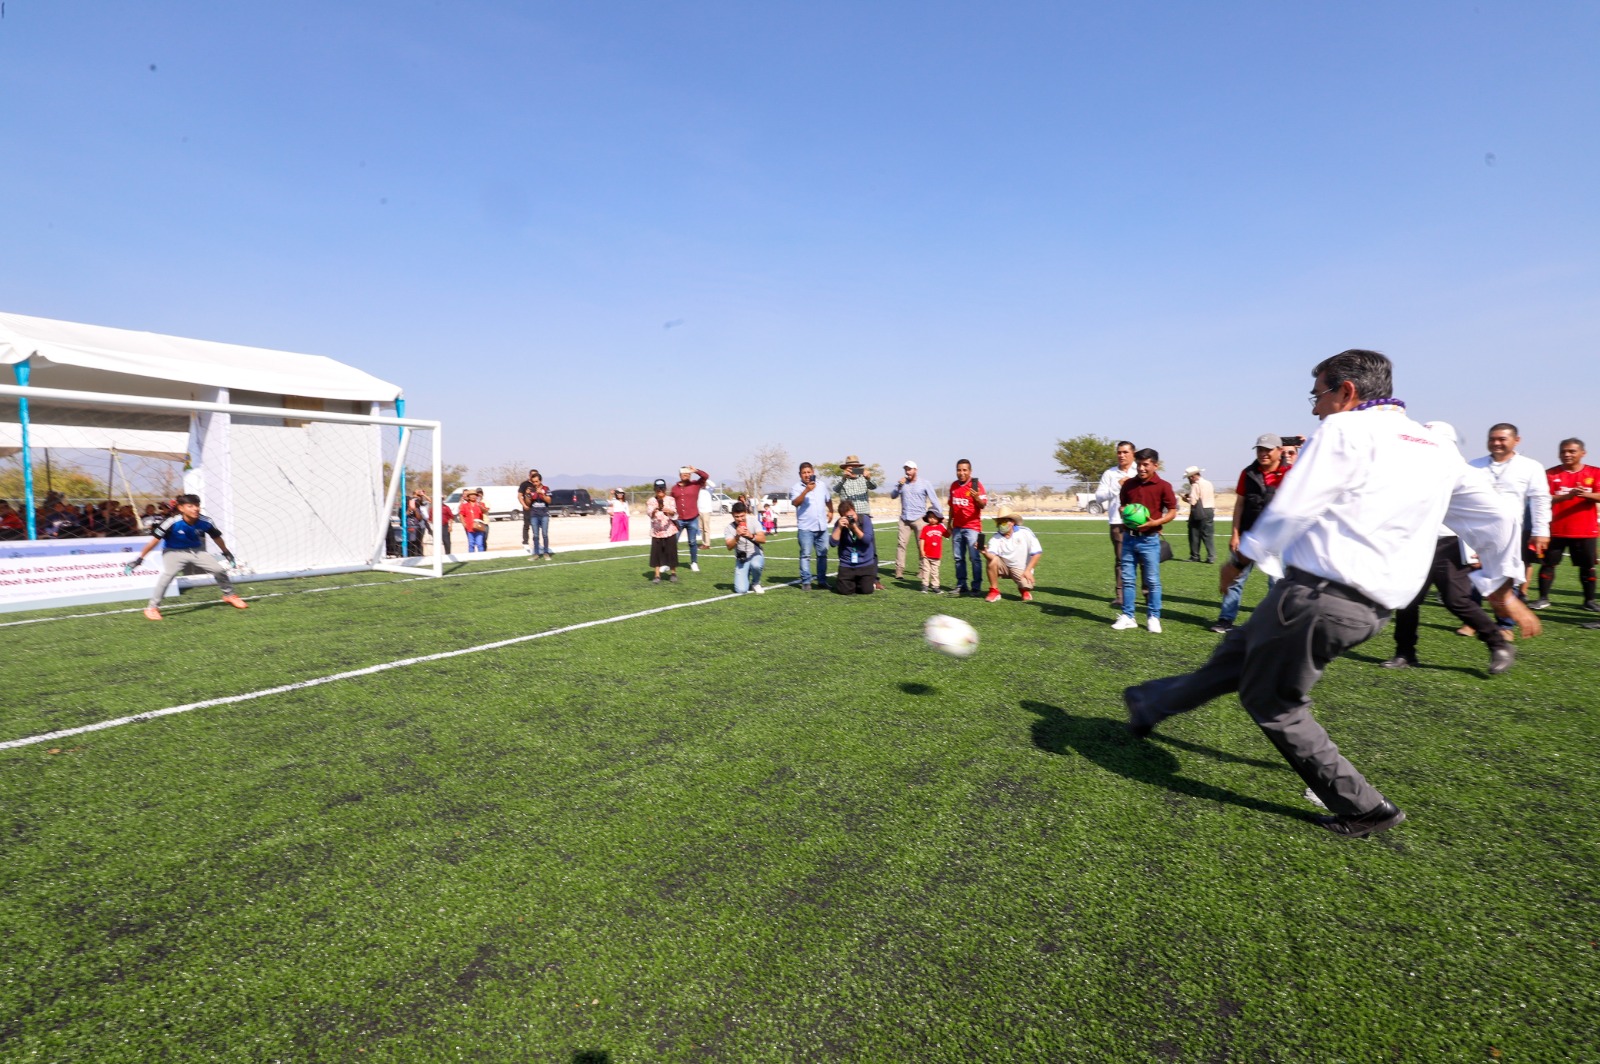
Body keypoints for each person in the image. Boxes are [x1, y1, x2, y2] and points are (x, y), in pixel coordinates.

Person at [1124, 348, 1540, 839]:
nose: (1314, 408)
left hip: (1318, 597)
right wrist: (1499, 584)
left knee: (1274, 703)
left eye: (1317, 394)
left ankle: (1363, 807)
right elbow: (1497, 517)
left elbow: (1294, 507)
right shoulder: (1435, 446)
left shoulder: (1344, 430)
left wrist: (1240, 559)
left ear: (1347, 391)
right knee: (1234, 656)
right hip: (1367, 608)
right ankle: (1150, 705)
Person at [1380, 422, 1514, 674]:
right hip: (1418, 542)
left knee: (1456, 600)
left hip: (1450, 543)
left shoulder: (1466, 472)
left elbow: (1483, 515)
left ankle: (1498, 644)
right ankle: (1405, 653)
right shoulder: (1412, 471)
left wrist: (1475, 550)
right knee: (1407, 600)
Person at [1464, 424, 1550, 635]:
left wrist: (1541, 530)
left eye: (1502, 439)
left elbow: (1540, 499)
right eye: (1492, 438)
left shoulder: (1530, 466)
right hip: (1475, 530)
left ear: (1516, 440)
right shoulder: (1474, 466)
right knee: (1473, 575)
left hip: (1510, 532)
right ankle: (1473, 621)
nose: (1496, 443)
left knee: (1506, 575)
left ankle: (1505, 626)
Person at [1210, 434, 1292, 634]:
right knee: (1236, 579)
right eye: (1259, 449)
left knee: (1277, 582)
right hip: (1248, 536)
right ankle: (1226, 619)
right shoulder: (1247, 473)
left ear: (1279, 451)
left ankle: (1274, 623)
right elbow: (1239, 504)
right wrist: (1235, 534)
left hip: (1277, 539)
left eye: (1267, 449)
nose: (1263, 453)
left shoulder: (1291, 473)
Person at [126, 493, 250, 621]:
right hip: (173, 552)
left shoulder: (206, 521)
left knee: (218, 570)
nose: (195, 509)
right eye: (190, 506)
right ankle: (152, 608)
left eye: (197, 505)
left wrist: (226, 552)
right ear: (181, 508)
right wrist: (140, 558)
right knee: (168, 575)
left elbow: (216, 537)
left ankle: (229, 595)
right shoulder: (171, 522)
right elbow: (155, 541)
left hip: (196, 551)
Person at [1112, 449, 1177, 632]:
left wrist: (1157, 521)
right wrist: (1124, 512)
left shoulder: (1163, 486)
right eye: (1139, 464)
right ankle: (1128, 616)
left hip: (1150, 539)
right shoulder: (1128, 485)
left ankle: (1154, 617)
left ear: (1155, 465)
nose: (1141, 468)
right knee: (1128, 579)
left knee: (1152, 581)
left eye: (1145, 464)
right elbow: (1123, 506)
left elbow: (1172, 511)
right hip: (1129, 539)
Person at [1534, 438, 1598, 613]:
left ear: (1582, 453)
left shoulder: (1594, 472)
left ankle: (1589, 601)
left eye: (1571, 451)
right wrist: (1566, 497)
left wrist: (1586, 494)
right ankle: (1543, 599)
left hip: (1585, 530)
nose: (1566, 454)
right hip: (1555, 530)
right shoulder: (1550, 474)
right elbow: (1542, 498)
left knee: (1588, 567)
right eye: (1563, 451)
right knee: (1548, 564)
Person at [1093, 441, 1139, 605]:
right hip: (1117, 522)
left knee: (1144, 559)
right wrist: (1117, 487)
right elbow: (1099, 497)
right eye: (1119, 452)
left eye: (1125, 452)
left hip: (1140, 522)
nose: (1121, 455)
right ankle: (1121, 596)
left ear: (1133, 453)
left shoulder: (1140, 470)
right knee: (1121, 560)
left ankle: (1148, 595)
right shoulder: (1110, 474)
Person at [890, 459, 939, 581]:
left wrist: (940, 516)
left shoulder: (925, 483)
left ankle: (923, 570)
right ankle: (899, 570)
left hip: (919, 519)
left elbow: (934, 500)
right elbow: (893, 495)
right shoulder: (902, 483)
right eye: (906, 469)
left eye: (910, 469)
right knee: (901, 545)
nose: (907, 471)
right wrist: (899, 486)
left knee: (921, 545)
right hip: (904, 519)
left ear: (915, 470)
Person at [946, 459, 989, 596]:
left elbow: (982, 505)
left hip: (973, 528)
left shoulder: (976, 485)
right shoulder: (953, 486)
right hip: (957, 528)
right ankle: (961, 585)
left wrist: (976, 497)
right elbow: (952, 506)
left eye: (964, 470)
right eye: (959, 470)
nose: (961, 472)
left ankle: (976, 587)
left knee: (975, 558)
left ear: (970, 471)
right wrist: (949, 523)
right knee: (958, 558)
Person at [982, 506, 1043, 602]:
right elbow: (992, 556)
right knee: (992, 560)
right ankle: (994, 591)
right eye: (999, 522)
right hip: (1004, 566)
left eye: (1004, 521)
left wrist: (1028, 570)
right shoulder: (995, 537)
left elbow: (1037, 553)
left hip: (1021, 569)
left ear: (1012, 522)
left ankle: (1023, 589)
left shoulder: (1025, 532)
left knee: (1027, 585)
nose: (1001, 524)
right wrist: (985, 552)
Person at [791, 461, 833, 591]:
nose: (807, 475)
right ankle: (806, 581)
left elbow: (828, 499)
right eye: (804, 473)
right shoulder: (796, 488)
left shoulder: (821, 485)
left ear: (813, 472)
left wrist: (831, 511)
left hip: (822, 527)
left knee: (822, 554)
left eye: (809, 472)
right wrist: (806, 491)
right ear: (800, 474)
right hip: (806, 528)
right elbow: (795, 503)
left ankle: (822, 580)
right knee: (805, 555)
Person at [829, 501, 878, 595]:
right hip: (847, 564)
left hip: (865, 563)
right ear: (842, 517)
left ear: (855, 511)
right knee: (844, 591)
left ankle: (861, 581)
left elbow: (867, 540)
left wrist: (854, 528)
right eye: (848, 517)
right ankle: (851, 581)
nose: (851, 518)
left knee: (866, 590)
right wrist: (839, 527)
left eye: (852, 515)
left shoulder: (865, 519)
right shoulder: (840, 523)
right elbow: (833, 543)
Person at [669, 465, 710, 572]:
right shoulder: (675, 489)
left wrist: (696, 470)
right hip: (679, 520)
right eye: (683, 473)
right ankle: (670, 563)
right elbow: (670, 503)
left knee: (692, 542)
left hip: (692, 518)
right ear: (680, 475)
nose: (685, 475)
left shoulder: (696, 484)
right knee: (673, 542)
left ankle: (694, 562)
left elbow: (706, 476)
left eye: (687, 473)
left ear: (690, 474)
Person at [724, 501, 767, 594]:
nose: (740, 519)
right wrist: (737, 536)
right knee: (741, 590)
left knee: (756, 565)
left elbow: (763, 539)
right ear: (733, 516)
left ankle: (756, 583)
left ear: (746, 513)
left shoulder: (753, 521)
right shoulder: (729, 528)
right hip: (742, 558)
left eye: (742, 516)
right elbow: (729, 547)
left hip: (755, 554)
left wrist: (751, 536)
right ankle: (745, 573)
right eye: (737, 517)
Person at [647, 479, 680, 583]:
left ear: (665, 489)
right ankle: (657, 575)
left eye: (662, 488)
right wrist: (654, 511)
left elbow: (675, 515)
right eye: (658, 488)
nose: (660, 490)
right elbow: (650, 516)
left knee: (671, 553)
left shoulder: (671, 499)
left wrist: (669, 511)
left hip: (669, 531)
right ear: (654, 489)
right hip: (657, 532)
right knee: (656, 554)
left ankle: (673, 573)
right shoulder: (651, 501)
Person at [1181, 466, 1216, 563]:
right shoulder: (1209, 483)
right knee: (1208, 534)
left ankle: (1195, 556)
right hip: (1210, 510)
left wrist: (1185, 499)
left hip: (1199, 510)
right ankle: (1211, 556)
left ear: (1192, 477)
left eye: (1189, 478)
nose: (1189, 480)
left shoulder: (1195, 485)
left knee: (1194, 533)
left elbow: (1193, 501)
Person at [519, 470, 553, 559]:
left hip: (544, 514)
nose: (535, 483)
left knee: (545, 534)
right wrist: (527, 495)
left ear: (540, 481)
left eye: (537, 481)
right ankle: (536, 554)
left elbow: (549, 501)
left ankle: (546, 553)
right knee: (535, 535)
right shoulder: (531, 489)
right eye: (533, 482)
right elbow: (528, 503)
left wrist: (542, 494)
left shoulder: (546, 489)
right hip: (534, 514)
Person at [917, 508, 947, 593]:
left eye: (934, 517)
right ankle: (925, 585)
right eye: (930, 517)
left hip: (936, 555)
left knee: (935, 572)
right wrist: (922, 550)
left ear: (938, 518)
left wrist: (947, 524)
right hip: (926, 554)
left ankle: (935, 586)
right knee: (926, 570)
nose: (932, 519)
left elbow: (948, 534)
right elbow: (922, 539)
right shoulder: (925, 528)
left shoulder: (941, 527)